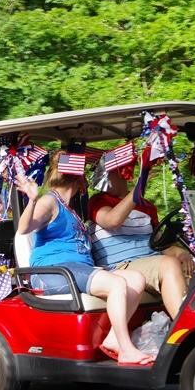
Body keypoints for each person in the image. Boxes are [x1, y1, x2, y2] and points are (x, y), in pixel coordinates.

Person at [15, 152, 154, 366]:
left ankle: (114, 340)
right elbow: (25, 227)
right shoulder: (49, 201)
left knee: (135, 279)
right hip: (55, 271)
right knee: (117, 284)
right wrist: (33, 200)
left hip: (76, 269)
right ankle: (127, 350)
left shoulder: (69, 209)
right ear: (79, 179)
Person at [88, 166, 195, 319]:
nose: (101, 178)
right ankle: (186, 331)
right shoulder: (98, 201)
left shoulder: (147, 207)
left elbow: (157, 244)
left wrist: (181, 253)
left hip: (151, 262)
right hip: (121, 266)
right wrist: (139, 189)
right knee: (169, 264)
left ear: (122, 174)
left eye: (107, 173)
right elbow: (112, 221)